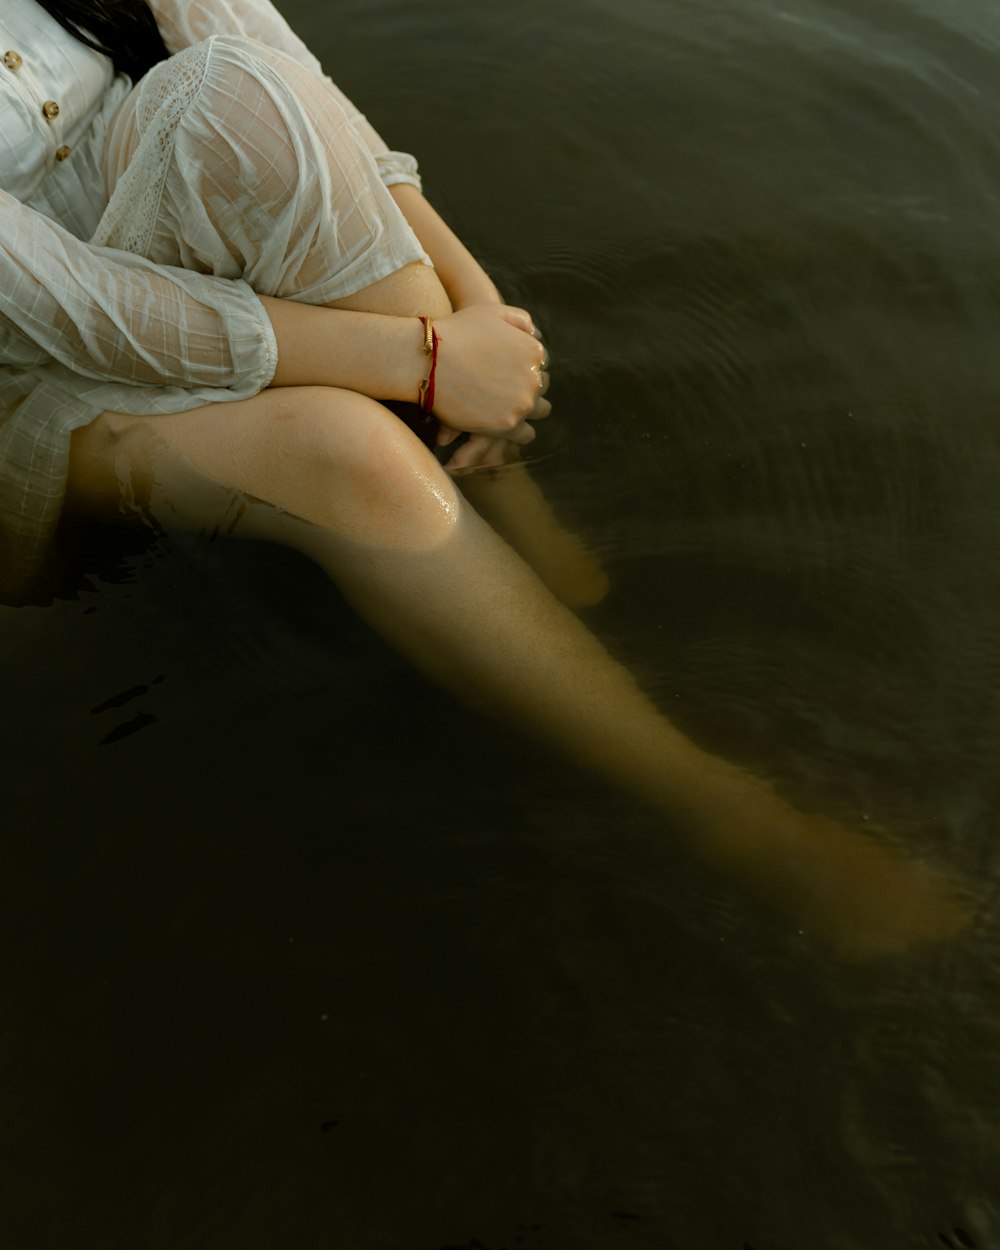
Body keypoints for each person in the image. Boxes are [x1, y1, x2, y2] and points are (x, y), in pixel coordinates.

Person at [0, 0, 972, 957]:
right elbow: (79, 311)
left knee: (235, 91)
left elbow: (287, 82)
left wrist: (474, 310)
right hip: (27, 364)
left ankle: (504, 490)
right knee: (350, 450)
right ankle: (726, 809)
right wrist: (422, 362)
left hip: (150, 234)